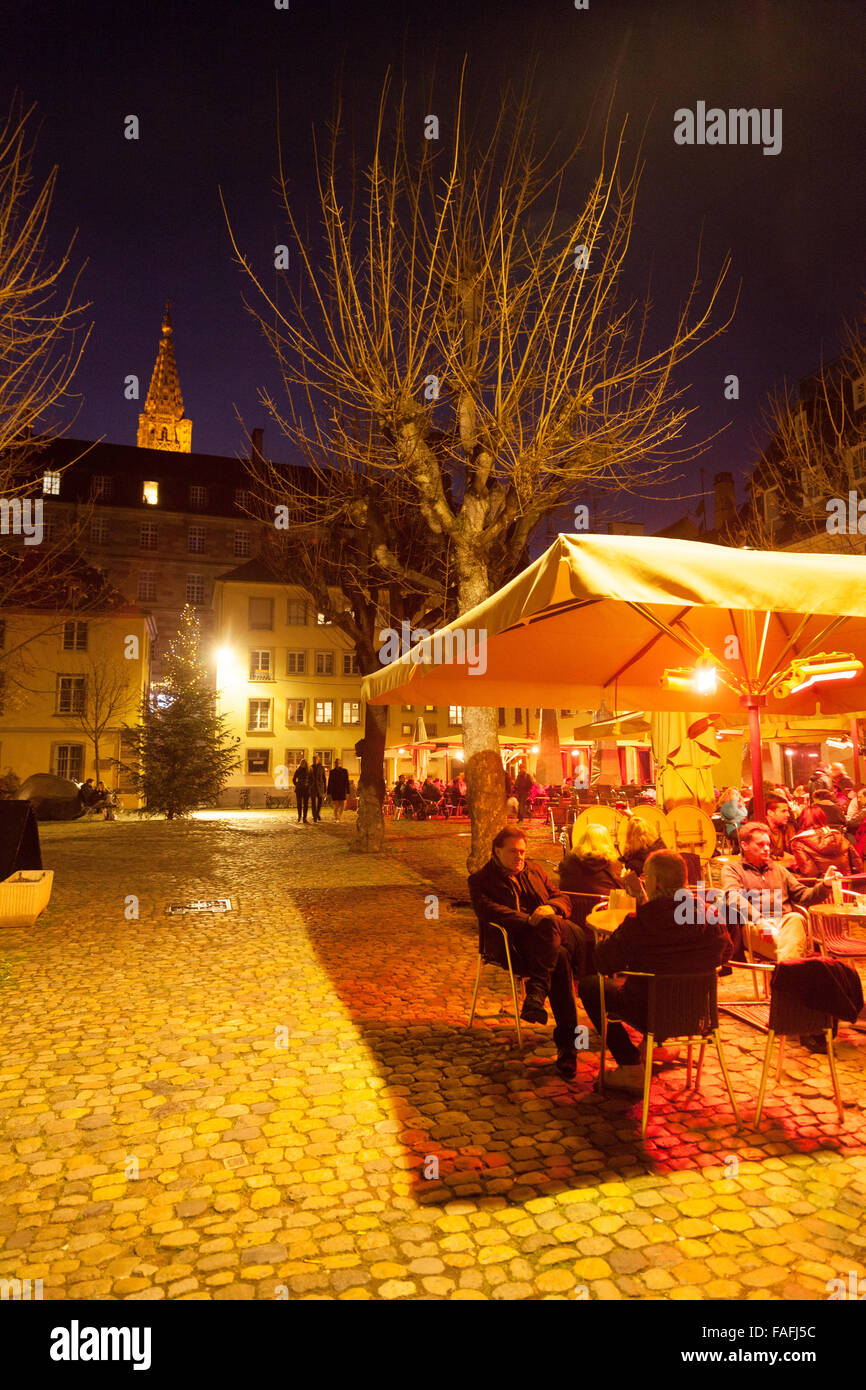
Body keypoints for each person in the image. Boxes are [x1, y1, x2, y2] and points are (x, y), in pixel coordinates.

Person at [578, 850, 730, 1091]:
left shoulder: (641, 922)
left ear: (655, 882)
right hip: (695, 1012)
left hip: (647, 1010)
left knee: (589, 986)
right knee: (665, 985)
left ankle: (630, 1067)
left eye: (646, 877)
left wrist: (639, 904)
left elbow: (603, 962)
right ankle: (658, 1046)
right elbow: (726, 952)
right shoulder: (710, 914)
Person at [468, 827, 595, 1079]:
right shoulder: (481, 881)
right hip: (515, 945)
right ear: (497, 851)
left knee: (551, 926)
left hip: (550, 936)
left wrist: (550, 909)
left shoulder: (534, 870)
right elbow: (490, 912)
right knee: (558, 958)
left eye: (523, 851)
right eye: (513, 851)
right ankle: (567, 1045)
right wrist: (530, 921)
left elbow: (562, 898)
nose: (520, 857)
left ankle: (537, 994)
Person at [721, 821, 842, 962]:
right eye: (760, 844)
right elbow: (733, 897)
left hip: (785, 924)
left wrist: (825, 885)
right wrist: (759, 919)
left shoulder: (778, 870)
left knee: (796, 918)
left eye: (768, 844)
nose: (766, 849)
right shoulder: (733, 869)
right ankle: (793, 967)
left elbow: (804, 895)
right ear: (744, 845)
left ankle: (788, 969)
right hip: (755, 927)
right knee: (792, 944)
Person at [559, 822, 635, 927]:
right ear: (607, 841)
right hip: (602, 917)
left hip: (572, 916)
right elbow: (622, 890)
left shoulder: (568, 861)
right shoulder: (613, 864)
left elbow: (562, 885)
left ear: (583, 839)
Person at [790, 804, 864, 879]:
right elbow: (857, 864)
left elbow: (809, 872)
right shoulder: (839, 836)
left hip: (822, 886)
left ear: (801, 820)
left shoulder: (798, 842)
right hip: (846, 884)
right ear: (823, 818)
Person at [765, 794, 796, 865]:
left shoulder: (788, 829)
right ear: (770, 813)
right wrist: (784, 863)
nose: (788, 814)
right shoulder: (760, 831)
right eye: (783, 811)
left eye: (788, 811)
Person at [292, 759, 310, 824]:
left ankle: (304, 818)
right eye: (302, 763)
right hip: (299, 789)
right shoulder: (298, 770)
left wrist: (309, 785)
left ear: (306, 764)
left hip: (306, 789)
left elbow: (311, 779)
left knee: (306, 804)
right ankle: (299, 817)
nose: (303, 764)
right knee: (299, 804)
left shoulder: (309, 770)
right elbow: (294, 779)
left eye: (304, 763)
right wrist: (297, 784)